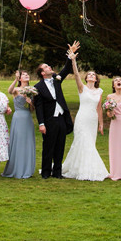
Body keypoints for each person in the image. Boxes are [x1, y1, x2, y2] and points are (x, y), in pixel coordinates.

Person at [61, 43, 109, 181]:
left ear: (96, 79)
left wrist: (101, 124)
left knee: (90, 143)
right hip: (82, 119)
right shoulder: (82, 88)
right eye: (89, 74)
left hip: (92, 120)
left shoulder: (99, 91)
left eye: (94, 75)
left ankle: (84, 167)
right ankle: (85, 170)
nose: (91, 76)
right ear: (86, 78)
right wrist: (73, 60)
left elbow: (99, 108)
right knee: (83, 142)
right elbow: (76, 74)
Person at [33, 46, 75, 179]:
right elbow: (38, 107)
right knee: (48, 147)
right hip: (49, 120)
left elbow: (66, 70)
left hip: (61, 118)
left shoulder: (57, 79)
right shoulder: (37, 87)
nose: (49, 67)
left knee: (60, 145)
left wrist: (70, 55)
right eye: (46, 67)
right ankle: (46, 172)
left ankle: (57, 172)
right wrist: (41, 123)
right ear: (42, 73)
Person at [1, 70, 36, 179]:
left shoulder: (32, 90)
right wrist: (15, 79)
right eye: (24, 75)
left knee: (27, 141)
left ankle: (27, 168)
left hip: (27, 117)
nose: (27, 76)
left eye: (27, 74)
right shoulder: (16, 89)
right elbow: (9, 90)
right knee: (18, 141)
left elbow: (32, 110)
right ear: (20, 78)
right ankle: (15, 168)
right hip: (18, 116)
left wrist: (30, 103)